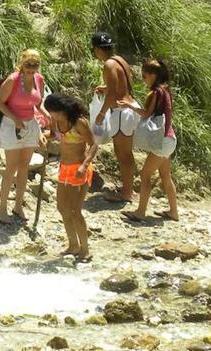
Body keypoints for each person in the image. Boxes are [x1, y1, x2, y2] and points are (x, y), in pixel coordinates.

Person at [121, 59, 179, 222]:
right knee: (165, 176)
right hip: (169, 139)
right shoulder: (166, 90)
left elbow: (146, 113)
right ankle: (173, 212)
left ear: (153, 75)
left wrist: (129, 105)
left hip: (162, 142)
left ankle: (140, 212)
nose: (144, 79)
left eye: (145, 76)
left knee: (145, 175)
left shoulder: (155, 93)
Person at [0, 49, 49, 224]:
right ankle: (2, 207)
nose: (31, 69)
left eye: (35, 65)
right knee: (11, 167)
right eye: (28, 65)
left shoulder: (39, 79)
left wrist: (46, 115)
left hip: (30, 124)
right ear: (22, 63)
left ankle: (18, 205)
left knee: (24, 166)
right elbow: (0, 103)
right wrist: (15, 119)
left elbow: (38, 103)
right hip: (12, 125)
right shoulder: (12, 80)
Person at [45, 93, 98, 263]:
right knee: (62, 207)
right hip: (64, 168)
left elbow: (94, 145)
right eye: (51, 112)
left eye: (54, 112)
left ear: (63, 109)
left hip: (79, 168)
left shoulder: (79, 122)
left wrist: (84, 166)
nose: (53, 115)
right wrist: (43, 136)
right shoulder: (56, 121)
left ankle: (85, 249)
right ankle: (73, 245)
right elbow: (53, 134)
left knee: (75, 210)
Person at [91, 32, 138, 203]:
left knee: (122, 153)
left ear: (97, 49)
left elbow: (111, 96)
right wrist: (106, 87)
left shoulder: (109, 65)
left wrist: (101, 114)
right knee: (127, 153)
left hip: (120, 112)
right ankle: (128, 189)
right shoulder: (120, 60)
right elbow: (125, 84)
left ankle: (126, 193)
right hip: (130, 108)